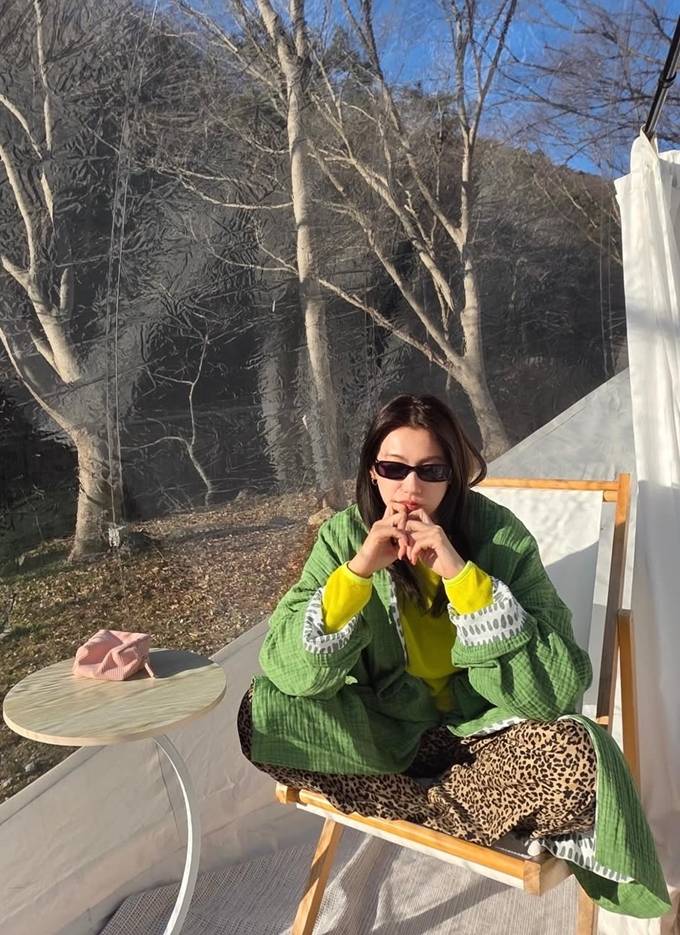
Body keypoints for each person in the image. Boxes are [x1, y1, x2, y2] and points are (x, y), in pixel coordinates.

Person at [238, 394, 669, 918]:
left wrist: (464, 579)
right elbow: (289, 671)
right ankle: (462, 809)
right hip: (388, 735)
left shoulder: (500, 537)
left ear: (454, 475)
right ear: (372, 471)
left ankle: (420, 803)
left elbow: (555, 693)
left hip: (484, 739)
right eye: (394, 469)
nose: (411, 487)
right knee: (262, 715)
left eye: (431, 470)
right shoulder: (344, 537)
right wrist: (356, 574)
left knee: (577, 757)